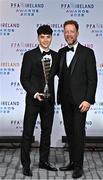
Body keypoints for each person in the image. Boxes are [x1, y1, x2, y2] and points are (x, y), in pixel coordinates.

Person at [57, 20, 97, 179]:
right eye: (66, 31)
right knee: (70, 133)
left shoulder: (87, 53)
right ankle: (72, 162)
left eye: (72, 31)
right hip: (65, 101)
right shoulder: (60, 52)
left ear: (77, 33)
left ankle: (79, 167)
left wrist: (88, 99)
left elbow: (92, 79)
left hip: (81, 102)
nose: (69, 34)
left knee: (78, 133)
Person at [20, 25, 58, 177]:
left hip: (49, 101)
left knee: (46, 133)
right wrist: (35, 93)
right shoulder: (29, 55)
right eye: (42, 37)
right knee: (28, 133)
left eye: (48, 37)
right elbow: (24, 79)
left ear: (51, 38)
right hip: (33, 100)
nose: (45, 40)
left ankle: (44, 161)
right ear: (38, 38)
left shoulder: (56, 56)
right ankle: (26, 165)